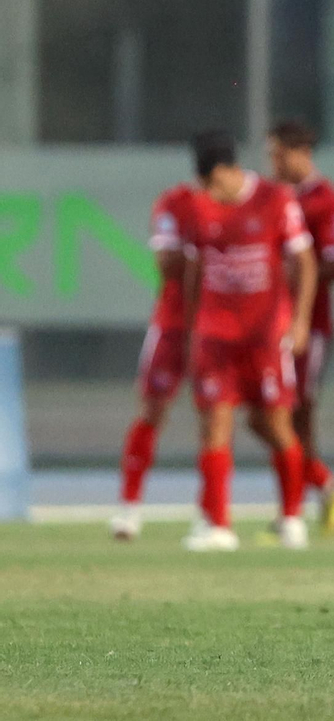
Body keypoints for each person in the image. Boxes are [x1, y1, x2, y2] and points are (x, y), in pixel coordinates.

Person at [183, 131, 318, 552]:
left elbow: (306, 263)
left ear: (227, 171)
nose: (210, 194)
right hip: (218, 335)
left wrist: (299, 322)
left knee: (277, 425)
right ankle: (220, 525)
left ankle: (292, 518)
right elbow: (193, 270)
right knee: (215, 425)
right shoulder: (200, 207)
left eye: (213, 183)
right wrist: (194, 326)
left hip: (264, 336)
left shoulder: (276, 200)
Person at [267, 119, 334, 535]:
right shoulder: (274, 197)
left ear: (301, 153)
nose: (273, 163)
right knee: (273, 414)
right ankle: (320, 487)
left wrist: (301, 270)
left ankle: (307, 498)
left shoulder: (324, 200)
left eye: (278, 154)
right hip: (271, 324)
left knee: (296, 414)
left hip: (310, 325)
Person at [109, 180, 196, 540]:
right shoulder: (177, 203)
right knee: (151, 409)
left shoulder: (258, 205)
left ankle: (216, 515)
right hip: (174, 325)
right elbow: (165, 261)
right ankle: (129, 509)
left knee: (242, 418)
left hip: (224, 329)